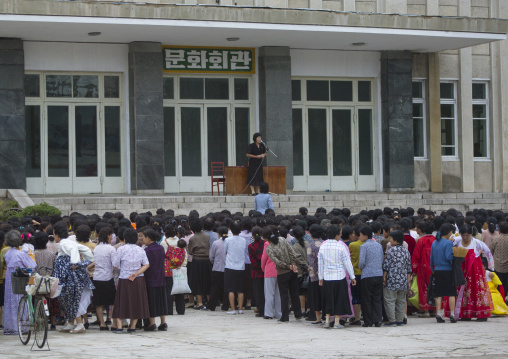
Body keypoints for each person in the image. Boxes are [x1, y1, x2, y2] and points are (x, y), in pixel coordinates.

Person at [53, 221, 95, 334]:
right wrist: (85, 260)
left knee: (71, 299)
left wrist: (75, 262)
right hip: (70, 275)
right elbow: (86, 250)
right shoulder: (68, 242)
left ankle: (80, 324)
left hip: (70, 276)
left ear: (56, 234)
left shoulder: (63, 243)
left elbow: (74, 251)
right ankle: (71, 323)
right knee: (69, 299)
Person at [446, 224, 494, 321]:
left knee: (477, 290)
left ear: (472, 234)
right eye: (463, 235)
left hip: (475, 271)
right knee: (462, 291)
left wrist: (491, 267)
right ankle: (465, 313)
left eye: (468, 235)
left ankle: (481, 313)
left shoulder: (477, 243)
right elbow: (448, 248)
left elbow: (488, 252)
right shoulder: (456, 241)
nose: (465, 237)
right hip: (461, 270)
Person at [112, 228, 150, 333]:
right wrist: (136, 273)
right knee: (136, 302)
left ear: (124, 238)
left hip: (124, 278)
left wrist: (123, 269)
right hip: (138, 279)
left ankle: (119, 326)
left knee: (121, 302)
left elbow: (115, 264)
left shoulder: (121, 249)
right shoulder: (141, 249)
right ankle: (132, 326)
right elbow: (146, 264)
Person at [318, 224, 356, 329]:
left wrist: (320, 278)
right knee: (339, 299)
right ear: (336, 235)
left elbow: (320, 264)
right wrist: (352, 277)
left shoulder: (322, 246)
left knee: (328, 298)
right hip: (340, 276)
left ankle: (326, 321)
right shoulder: (341, 246)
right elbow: (347, 263)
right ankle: (337, 322)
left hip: (327, 277)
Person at [3, 230, 37, 335]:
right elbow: (32, 265)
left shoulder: (7, 253)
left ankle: (12, 326)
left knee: (10, 302)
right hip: (22, 278)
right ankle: (23, 326)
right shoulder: (21, 254)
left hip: (10, 279)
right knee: (23, 301)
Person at [266, 229, 302, 322]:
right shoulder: (282, 239)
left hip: (282, 272)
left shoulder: (269, 248)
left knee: (284, 295)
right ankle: (298, 314)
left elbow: (276, 261)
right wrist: (293, 264)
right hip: (292, 270)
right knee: (294, 293)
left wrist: (288, 266)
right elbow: (291, 252)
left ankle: (285, 317)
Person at [141, 228, 169, 331]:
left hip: (150, 279)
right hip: (161, 278)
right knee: (161, 300)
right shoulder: (161, 248)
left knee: (151, 301)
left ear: (148, 238)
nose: (143, 240)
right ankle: (163, 322)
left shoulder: (147, 250)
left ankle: (152, 323)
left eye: (143, 238)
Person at [383, 230, 412, 327]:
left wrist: (384, 277)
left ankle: (392, 321)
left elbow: (386, 266)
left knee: (390, 300)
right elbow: (409, 268)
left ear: (395, 240)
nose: (390, 240)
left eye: (391, 238)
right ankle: (400, 320)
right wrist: (408, 281)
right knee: (401, 301)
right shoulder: (406, 251)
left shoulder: (391, 250)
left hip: (392, 280)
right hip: (403, 280)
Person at [429, 223, 457, 323]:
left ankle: (438, 314)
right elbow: (448, 257)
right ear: (449, 232)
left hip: (437, 270)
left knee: (438, 293)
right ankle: (452, 314)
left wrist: (432, 268)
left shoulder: (435, 242)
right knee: (451, 293)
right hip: (448, 270)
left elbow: (431, 258)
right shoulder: (448, 243)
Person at [358, 225, 384, 327]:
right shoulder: (378, 245)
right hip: (378, 274)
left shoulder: (363, 246)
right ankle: (377, 320)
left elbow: (361, 263)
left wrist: (363, 268)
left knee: (367, 299)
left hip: (367, 275)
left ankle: (368, 321)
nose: (359, 237)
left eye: (360, 235)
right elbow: (381, 260)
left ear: (365, 236)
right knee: (377, 298)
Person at [91, 227, 117, 331]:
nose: (112, 237)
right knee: (113, 301)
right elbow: (115, 264)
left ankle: (102, 323)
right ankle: (114, 322)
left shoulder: (96, 248)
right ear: (107, 236)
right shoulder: (111, 248)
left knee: (99, 302)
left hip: (97, 277)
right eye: (111, 235)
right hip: (107, 277)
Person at [33, 231, 59, 330]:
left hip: (37, 281)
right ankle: (53, 323)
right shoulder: (52, 254)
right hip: (49, 281)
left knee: (35, 300)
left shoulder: (33, 254)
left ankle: (38, 322)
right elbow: (55, 266)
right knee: (52, 301)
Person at [411, 221, 436, 317]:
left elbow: (416, 256)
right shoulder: (435, 240)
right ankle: (434, 310)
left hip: (423, 267)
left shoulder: (421, 240)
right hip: (435, 267)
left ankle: (425, 311)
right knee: (434, 287)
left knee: (423, 287)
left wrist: (414, 269)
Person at [187, 218, 211, 310]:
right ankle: (209, 302)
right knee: (207, 280)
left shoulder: (193, 238)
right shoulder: (207, 236)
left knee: (197, 281)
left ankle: (200, 303)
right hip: (206, 260)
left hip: (196, 261)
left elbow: (190, 251)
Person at [224, 222, 247, 315]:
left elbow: (225, 251)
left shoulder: (228, 240)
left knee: (231, 289)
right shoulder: (244, 240)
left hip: (230, 266)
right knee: (240, 290)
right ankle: (240, 309)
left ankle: (233, 309)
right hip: (241, 266)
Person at [163, 230, 187, 316]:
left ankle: (169, 311)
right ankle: (181, 310)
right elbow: (185, 259)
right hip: (180, 270)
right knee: (179, 290)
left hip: (169, 270)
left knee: (169, 291)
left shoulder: (164, 243)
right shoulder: (182, 248)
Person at [260, 227, 281, 320]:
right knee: (278, 294)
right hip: (280, 270)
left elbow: (264, 258)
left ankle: (268, 313)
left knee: (269, 293)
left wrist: (263, 268)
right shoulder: (279, 242)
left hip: (269, 270)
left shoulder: (266, 244)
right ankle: (279, 313)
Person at [306, 224, 324, 324]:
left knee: (316, 297)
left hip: (314, 275)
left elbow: (311, 262)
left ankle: (317, 317)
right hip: (325, 274)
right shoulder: (324, 243)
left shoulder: (310, 245)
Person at [291, 226, 309, 317]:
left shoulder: (295, 247)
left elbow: (298, 259)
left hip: (300, 271)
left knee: (301, 292)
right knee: (308, 291)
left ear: (294, 236)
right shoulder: (308, 243)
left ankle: (302, 310)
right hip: (310, 271)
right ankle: (309, 308)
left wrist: (305, 267)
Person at [348, 227, 364, 325]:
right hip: (364, 273)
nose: (353, 235)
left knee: (355, 296)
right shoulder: (366, 244)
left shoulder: (352, 245)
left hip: (355, 272)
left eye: (354, 234)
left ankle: (356, 317)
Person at [248, 226, 265, 317]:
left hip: (256, 272)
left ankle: (260, 309)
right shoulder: (265, 243)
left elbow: (252, 260)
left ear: (252, 235)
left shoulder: (251, 246)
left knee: (258, 292)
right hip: (265, 270)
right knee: (266, 291)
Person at [489, 221, 508, 293]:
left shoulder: (495, 239)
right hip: (507, 267)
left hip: (497, 266)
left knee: (499, 284)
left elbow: (490, 251)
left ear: (499, 229)